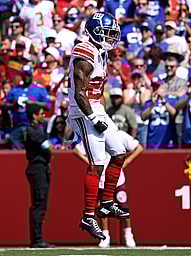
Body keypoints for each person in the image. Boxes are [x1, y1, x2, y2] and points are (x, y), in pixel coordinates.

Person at [66, 12, 129, 241]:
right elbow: (80, 94)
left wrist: (100, 113)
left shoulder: (99, 52)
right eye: (108, 33)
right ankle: (88, 216)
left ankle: (108, 202)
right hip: (82, 111)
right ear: (95, 31)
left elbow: (96, 93)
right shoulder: (84, 52)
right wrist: (93, 118)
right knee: (97, 163)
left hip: (95, 108)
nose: (112, 38)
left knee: (120, 152)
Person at [73, 130, 144, 248]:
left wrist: (128, 161)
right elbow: (77, 150)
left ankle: (128, 234)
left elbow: (139, 147)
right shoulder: (92, 137)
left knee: (123, 205)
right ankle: (105, 235)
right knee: (102, 207)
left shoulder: (119, 134)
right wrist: (90, 163)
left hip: (117, 178)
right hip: (101, 179)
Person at [24, 104, 55, 248]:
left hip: (39, 168)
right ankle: (37, 239)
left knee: (41, 204)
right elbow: (49, 149)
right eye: (41, 114)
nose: (43, 116)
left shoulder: (35, 130)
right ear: (34, 115)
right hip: (38, 169)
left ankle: (38, 238)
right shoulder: (34, 131)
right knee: (39, 204)